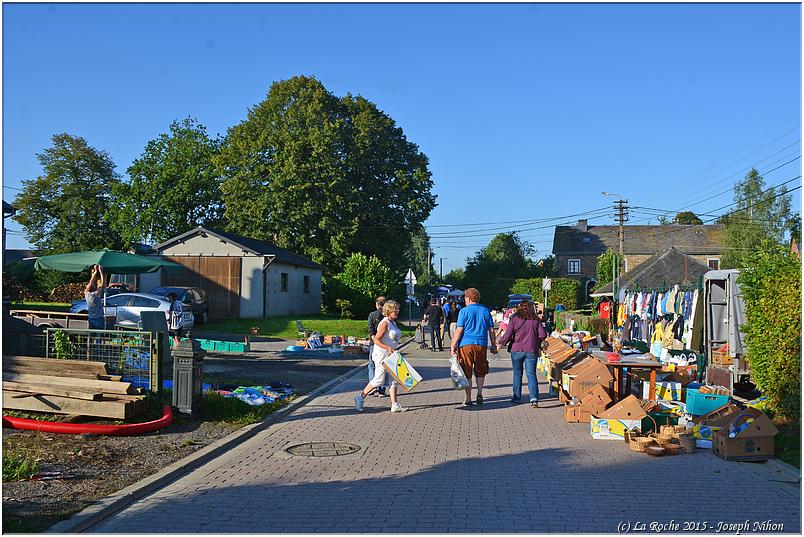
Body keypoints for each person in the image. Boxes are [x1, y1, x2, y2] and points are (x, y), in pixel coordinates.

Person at [355, 300, 407, 413]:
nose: (397, 311)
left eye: (398, 309)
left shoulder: (393, 322)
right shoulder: (384, 323)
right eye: (395, 309)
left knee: (394, 379)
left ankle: (395, 404)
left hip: (391, 354)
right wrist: (388, 348)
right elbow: (376, 340)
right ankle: (360, 397)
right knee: (379, 380)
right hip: (382, 354)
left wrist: (393, 348)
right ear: (389, 311)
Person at [449, 288, 497, 407]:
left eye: (465, 298)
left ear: (469, 298)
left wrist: (453, 344)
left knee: (467, 371)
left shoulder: (464, 312)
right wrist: (493, 344)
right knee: (480, 370)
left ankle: (468, 398)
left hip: (466, 345)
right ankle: (479, 393)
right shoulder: (486, 311)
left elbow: (459, 330)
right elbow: (491, 330)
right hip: (481, 344)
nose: (464, 300)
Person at [499, 300, 548, 407]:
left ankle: (517, 397)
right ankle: (534, 398)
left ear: (520, 308)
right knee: (531, 374)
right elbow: (543, 335)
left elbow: (507, 334)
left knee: (517, 374)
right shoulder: (536, 320)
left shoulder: (514, 319)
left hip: (516, 350)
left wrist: (499, 344)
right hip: (531, 350)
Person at [367, 296, 390, 397]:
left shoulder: (372, 315)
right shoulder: (387, 316)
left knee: (372, 364)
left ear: (377, 304)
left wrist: (374, 340)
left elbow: (370, 329)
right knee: (384, 366)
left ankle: (373, 386)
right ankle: (382, 388)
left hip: (374, 344)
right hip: (385, 344)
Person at [84, 264, 107, 330]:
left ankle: (92, 340)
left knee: (91, 335)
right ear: (94, 288)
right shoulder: (96, 294)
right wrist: (100, 271)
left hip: (91, 318)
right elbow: (102, 282)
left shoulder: (86, 294)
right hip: (99, 318)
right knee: (100, 334)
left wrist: (95, 272)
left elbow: (90, 283)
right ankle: (98, 340)